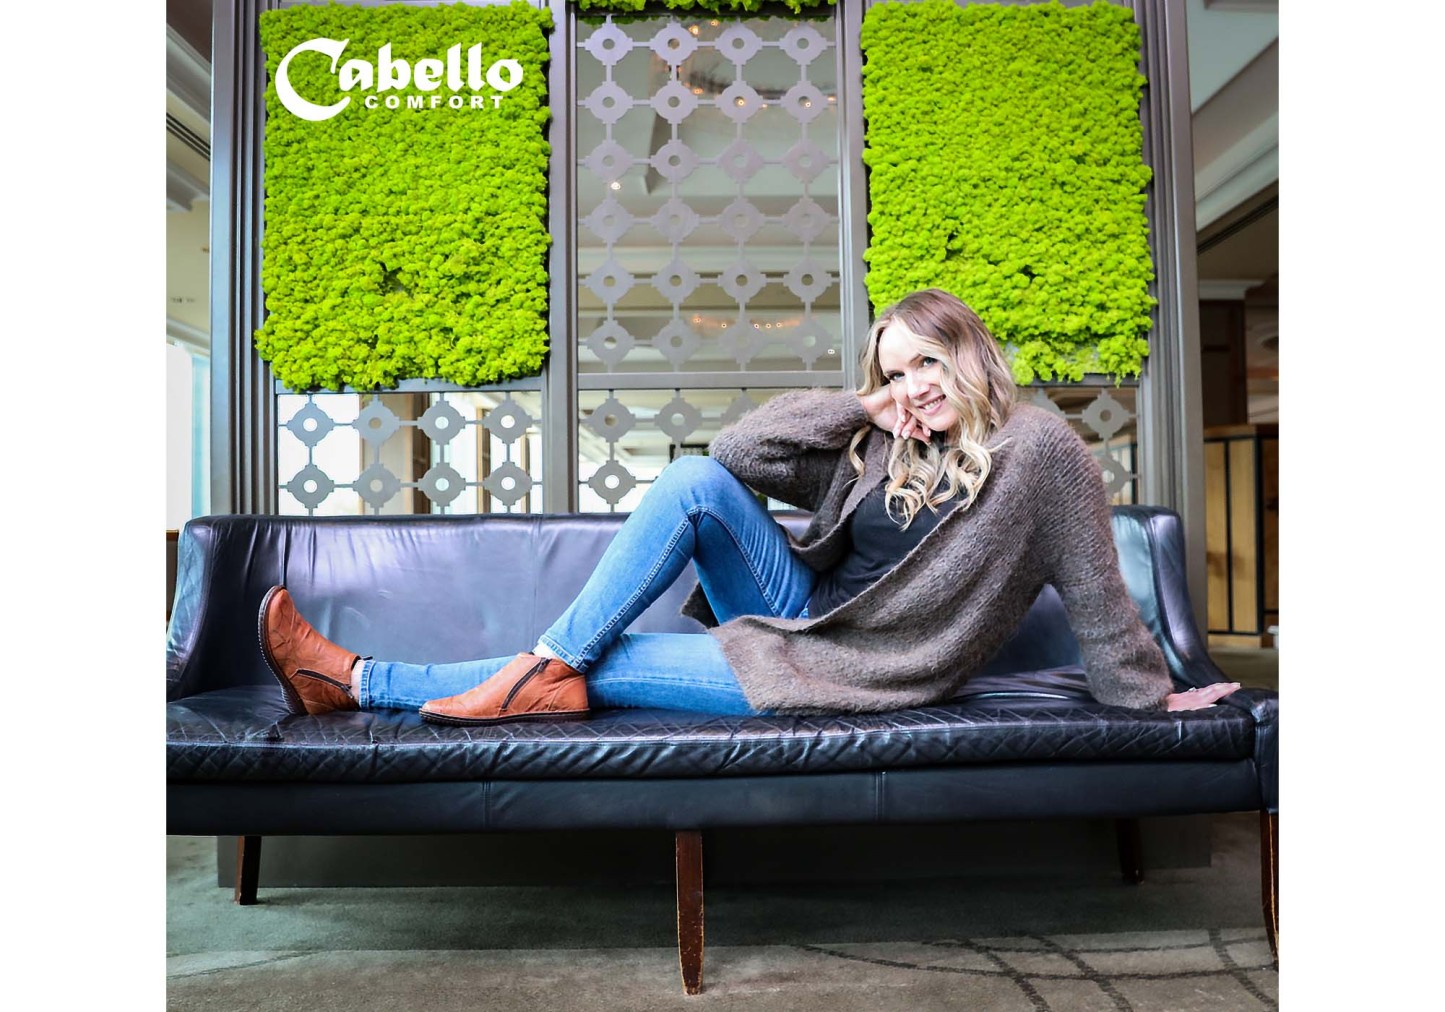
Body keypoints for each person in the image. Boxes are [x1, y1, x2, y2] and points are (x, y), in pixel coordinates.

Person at [259, 288, 1238, 724]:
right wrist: (863, 407)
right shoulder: (882, 438)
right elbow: (738, 457)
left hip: (857, 669)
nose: (913, 386)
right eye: (895, 371)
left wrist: (1150, 695)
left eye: (926, 363)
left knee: (615, 659)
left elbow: (1095, 589)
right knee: (691, 481)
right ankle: (548, 665)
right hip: (794, 614)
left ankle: (357, 681)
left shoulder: (1038, 451)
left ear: (967, 353)